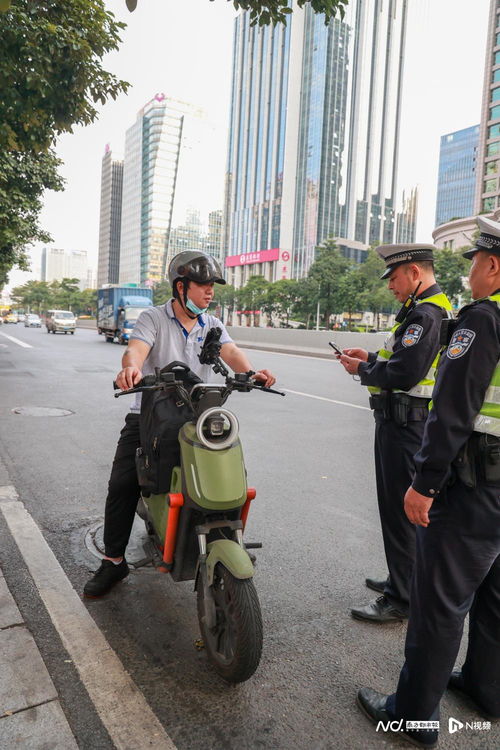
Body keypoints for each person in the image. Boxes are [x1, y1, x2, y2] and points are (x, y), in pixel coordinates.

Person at [356, 215, 500, 747]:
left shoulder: (482, 319)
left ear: (493, 264)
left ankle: (413, 715)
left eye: (476, 265)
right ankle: (487, 690)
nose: (470, 276)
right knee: (496, 600)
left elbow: (454, 410)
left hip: (477, 487)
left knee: (440, 604)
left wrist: (426, 482)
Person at [84, 251, 276, 598]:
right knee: (122, 483)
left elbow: (232, 354)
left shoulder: (212, 325)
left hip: (198, 419)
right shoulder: (153, 318)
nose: (210, 292)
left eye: (212, 286)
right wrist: (131, 368)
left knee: (228, 473)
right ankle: (113, 561)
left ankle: (219, 539)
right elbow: (136, 350)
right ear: (180, 286)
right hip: (149, 415)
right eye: (203, 285)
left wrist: (251, 373)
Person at [338, 244, 452, 623]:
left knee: (400, 510)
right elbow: (402, 361)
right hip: (406, 422)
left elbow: (405, 374)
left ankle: (401, 598)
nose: (390, 285)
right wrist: (369, 359)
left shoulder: (426, 314)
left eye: (395, 277)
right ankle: (401, 579)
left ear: (415, 273)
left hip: (406, 425)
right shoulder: (423, 312)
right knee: (399, 510)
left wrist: (361, 371)